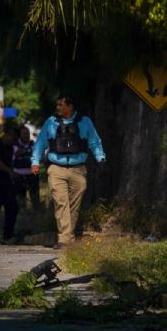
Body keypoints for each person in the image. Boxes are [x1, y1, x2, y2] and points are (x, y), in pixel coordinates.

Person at [31, 94, 106, 248]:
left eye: (61, 105)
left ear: (70, 106)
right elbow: (40, 143)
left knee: (74, 205)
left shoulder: (85, 122)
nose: (57, 107)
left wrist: (100, 157)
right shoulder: (51, 122)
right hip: (56, 168)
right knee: (61, 203)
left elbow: (94, 141)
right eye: (57, 104)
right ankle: (64, 240)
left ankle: (68, 236)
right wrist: (35, 161)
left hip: (78, 169)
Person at [13, 125, 41, 211]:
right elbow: (8, 162)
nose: (26, 135)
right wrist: (16, 154)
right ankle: (22, 218)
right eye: (24, 133)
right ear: (19, 135)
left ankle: (37, 217)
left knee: (35, 199)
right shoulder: (14, 146)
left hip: (33, 176)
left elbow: (42, 158)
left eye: (27, 133)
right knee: (20, 201)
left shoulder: (34, 145)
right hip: (19, 177)